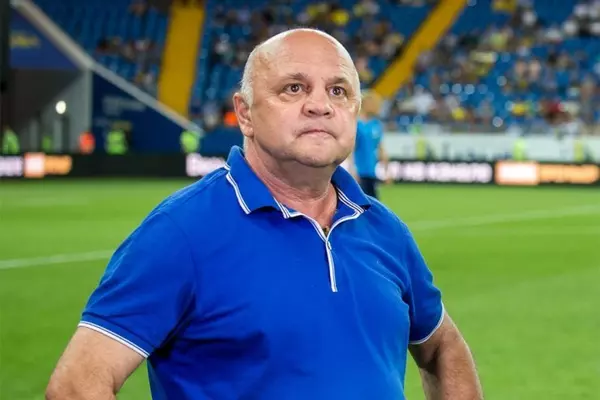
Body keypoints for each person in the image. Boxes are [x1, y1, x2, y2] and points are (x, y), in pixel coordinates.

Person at [46, 28, 483, 400]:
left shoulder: (385, 230)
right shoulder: (182, 232)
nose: (320, 105)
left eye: (338, 91)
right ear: (245, 114)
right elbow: (76, 385)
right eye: (294, 88)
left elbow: (442, 347)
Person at [350, 90, 389, 199]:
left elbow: (380, 148)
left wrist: (386, 170)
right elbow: (351, 149)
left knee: (373, 202)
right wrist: (352, 169)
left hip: (372, 171)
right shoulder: (357, 124)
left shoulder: (376, 124)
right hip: (359, 171)